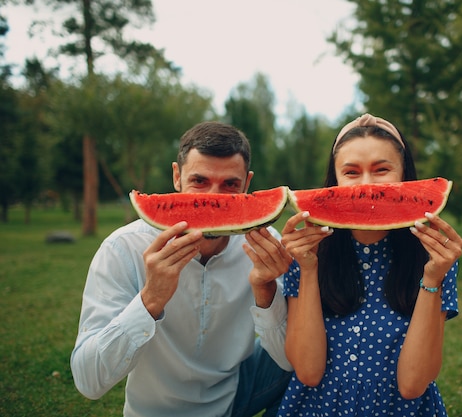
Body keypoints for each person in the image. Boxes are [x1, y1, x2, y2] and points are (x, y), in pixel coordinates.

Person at [71, 121, 294, 417]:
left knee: (323, 343)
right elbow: (88, 381)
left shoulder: (266, 248)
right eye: (199, 181)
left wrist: (267, 292)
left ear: (247, 184)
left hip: (235, 395)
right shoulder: (123, 248)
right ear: (177, 176)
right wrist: (150, 299)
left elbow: (290, 361)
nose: (213, 199)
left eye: (230, 184)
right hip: (155, 410)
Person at [277, 114, 462, 416]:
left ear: (404, 175)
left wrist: (432, 277)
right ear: (334, 180)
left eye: (381, 170)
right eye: (351, 172)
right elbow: (308, 372)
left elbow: (413, 384)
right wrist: (308, 269)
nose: (366, 185)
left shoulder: (435, 256)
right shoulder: (305, 252)